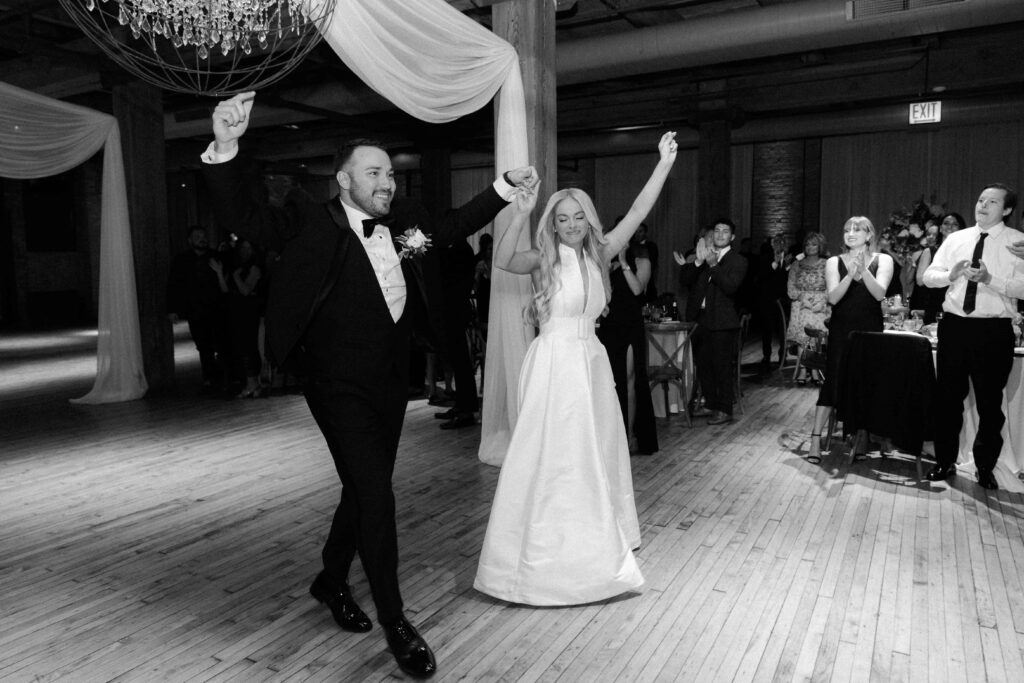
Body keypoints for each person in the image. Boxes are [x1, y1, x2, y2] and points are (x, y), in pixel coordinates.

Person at [201, 91, 537, 679]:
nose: (387, 181)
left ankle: (332, 580)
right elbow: (245, 217)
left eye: (390, 171)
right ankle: (396, 622)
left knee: (365, 487)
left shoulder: (404, 224)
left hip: (390, 383)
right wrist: (227, 145)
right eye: (374, 172)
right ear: (343, 180)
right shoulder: (309, 218)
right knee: (377, 496)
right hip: (334, 383)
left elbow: (453, 227)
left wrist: (505, 187)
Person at [474, 131, 678, 606]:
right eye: (561, 218)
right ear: (554, 223)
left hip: (591, 361)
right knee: (555, 455)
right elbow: (502, 259)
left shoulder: (601, 253)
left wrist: (663, 165)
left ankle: (598, 534)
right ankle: (545, 548)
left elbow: (638, 212)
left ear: (588, 220)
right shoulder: (544, 258)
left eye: (576, 216)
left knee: (597, 449)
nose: (569, 224)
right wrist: (522, 212)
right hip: (553, 364)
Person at [923, 184, 1024, 490]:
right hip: (955, 326)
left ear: (1006, 210)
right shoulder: (956, 238)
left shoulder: (1018, 242)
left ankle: (985, 466)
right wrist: (950, 275)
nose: (983, 205)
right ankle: (944, 460)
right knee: (948, 401)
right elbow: (929, 277)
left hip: (993, 331)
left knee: (990, 404)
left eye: (992, 202)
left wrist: (990, 280)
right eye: (980, 199)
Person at [806, 217, 894, 463]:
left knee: (865, 381)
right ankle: (815, 438)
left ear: (869, 235)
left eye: (857, 229)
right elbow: (833, 298)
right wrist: (850, 274)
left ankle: (860, 435)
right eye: (846, 230)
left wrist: (863, 270)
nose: (851, 233)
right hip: (842, 328)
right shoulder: (834, 261)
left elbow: (879, 293)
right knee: (833, 381)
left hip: (870, 330)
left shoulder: (883, 260)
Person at [678, 218, 749, 425]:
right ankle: (711, 404)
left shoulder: (738, 260)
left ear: (732, 237)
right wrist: (699, 262)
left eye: (725, 232)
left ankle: (725, 409)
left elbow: (730, 287)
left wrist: (713, 265)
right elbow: (685, 281)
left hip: (722, 321)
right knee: (703, 365)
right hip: (699, 319)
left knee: (721, 366)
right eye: (716, 230)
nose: (719, 235)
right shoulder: (703, 256)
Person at [598, 238, 658, 456]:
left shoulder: (642, 261)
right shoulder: (604, 262)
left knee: (630, 381)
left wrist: (623, 262)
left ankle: (630, 436)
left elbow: (637, 290)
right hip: (609, 327)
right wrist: (604, 269)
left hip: (631, 326)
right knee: (610, 382)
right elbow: (603, 296)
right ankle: (610, 437)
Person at [166, 225, 225, 391]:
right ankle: (209, 377)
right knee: (203, 344)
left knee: (220, 342)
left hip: (217, 308)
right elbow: (174, 285)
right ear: (190, 240)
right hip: (195, 310)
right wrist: (172, 309)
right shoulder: (182, 260)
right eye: (197, 236)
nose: (202, 239)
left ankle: (223, 375)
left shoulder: (216, 256)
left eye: (204, 235)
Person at [434, 238, 479, 429]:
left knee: (461, 362)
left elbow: (454, 280)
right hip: (452, 310)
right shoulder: (455, 248)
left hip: (456, 311)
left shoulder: (460, 249)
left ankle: (466, 410)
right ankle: (461, 405)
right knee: (456, 360)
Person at [786, 232, 829, 384]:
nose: (810, 247)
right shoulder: (797, 265)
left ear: (820, 247)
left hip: (820, 305)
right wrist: (803, 299)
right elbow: (790, 289)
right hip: (801, 304)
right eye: (808, 244)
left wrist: (821, 302)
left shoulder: (826, 264)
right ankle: (803, 371)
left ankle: (816, 371)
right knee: (803, 338)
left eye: (814, 244)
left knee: (816, 336)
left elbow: (832, 287)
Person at [912, 211, 966, 324]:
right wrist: (947, 275)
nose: (950, 226)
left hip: (956, 305)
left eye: (955, 224)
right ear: (940, 228)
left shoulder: (965, 252)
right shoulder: (930, 251)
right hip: (934, 303)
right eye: (946, 223)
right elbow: (920, 280)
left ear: (961, 229)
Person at [630, 221, 659, 302]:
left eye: (640, 231)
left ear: (645, 232)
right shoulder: (630, 247)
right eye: (635, 231)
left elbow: (652, 263)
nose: (637, 234)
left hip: (648, 285)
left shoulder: (651, 246)